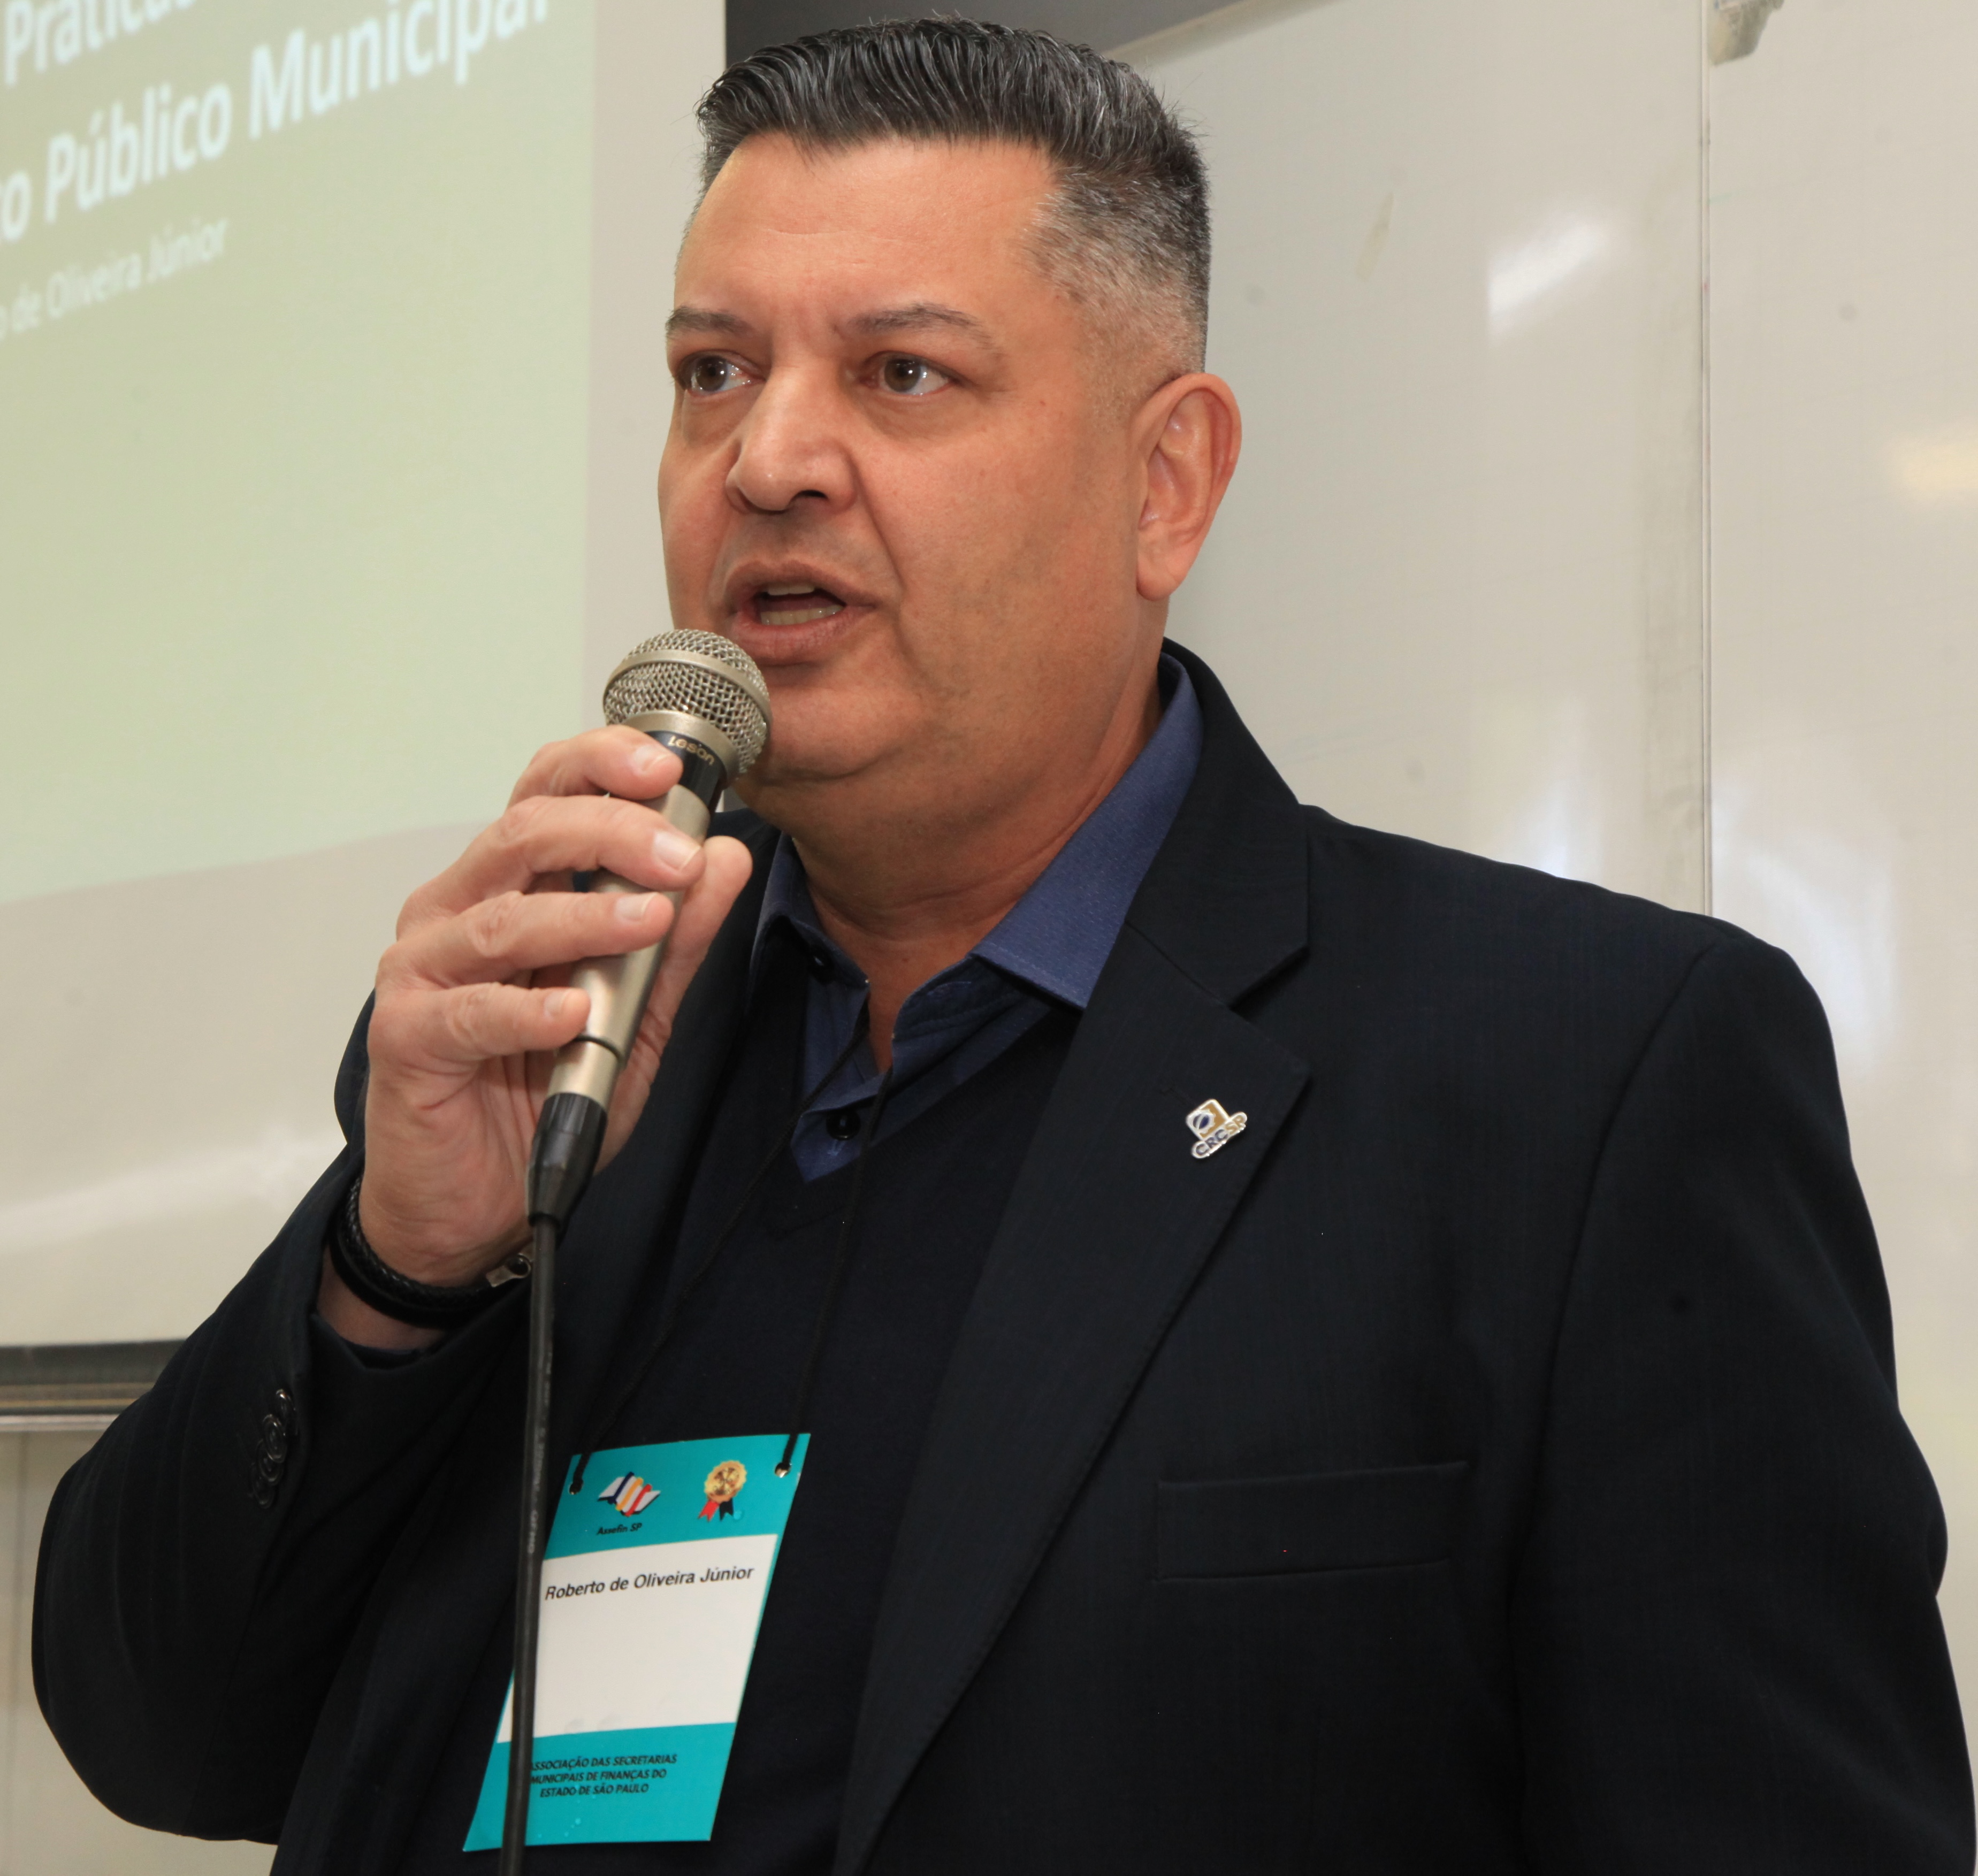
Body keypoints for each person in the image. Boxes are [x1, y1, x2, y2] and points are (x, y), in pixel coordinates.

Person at [34, 19, 1973, 1874]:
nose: (767, 460)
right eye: (712, 370)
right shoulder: (567, 1036)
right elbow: (164, 1734)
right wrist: (396, 1271)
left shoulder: (1585, 1083)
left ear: (1165, 483)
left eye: (900, 375)